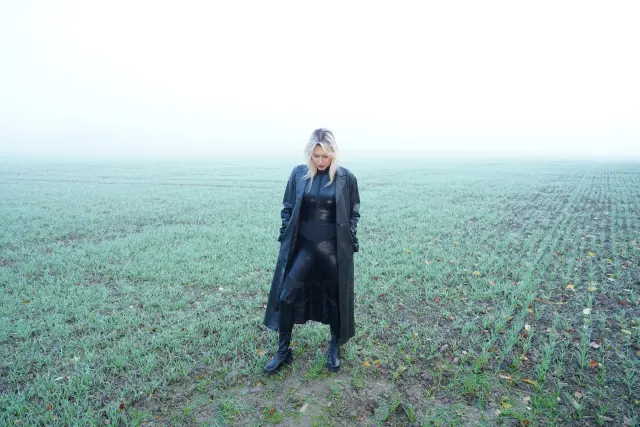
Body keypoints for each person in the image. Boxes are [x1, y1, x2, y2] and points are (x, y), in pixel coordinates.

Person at [263, 128, 361, 374]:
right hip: (304, 247)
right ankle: (283, 351)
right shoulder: (298, 174)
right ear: (310, 154)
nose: (320, 161)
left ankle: (334, 346)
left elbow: (353, 212)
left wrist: (350, 238)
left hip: (332, 250)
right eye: (316, 155)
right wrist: (285, 233)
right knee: (286, 296)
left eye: (325, 156)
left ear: (333, 154)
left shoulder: (346, 178)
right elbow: (287, 207)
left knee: (335, 298)